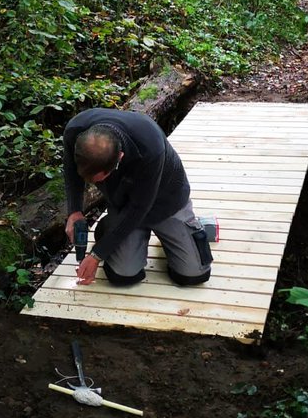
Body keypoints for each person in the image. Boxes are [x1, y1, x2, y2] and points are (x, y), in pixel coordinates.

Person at [63, 108, 212, 288]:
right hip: (123, 203)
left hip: (166, 201)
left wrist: (96, 255)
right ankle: (108, 227)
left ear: (120, 157)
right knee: (123, 275)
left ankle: (179, 233)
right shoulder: (76, 131)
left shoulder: (149, 145)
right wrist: (74, 211)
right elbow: (72, 172)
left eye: (100, 179)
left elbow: (139, 209)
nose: (97, 184)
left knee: (194, 274)